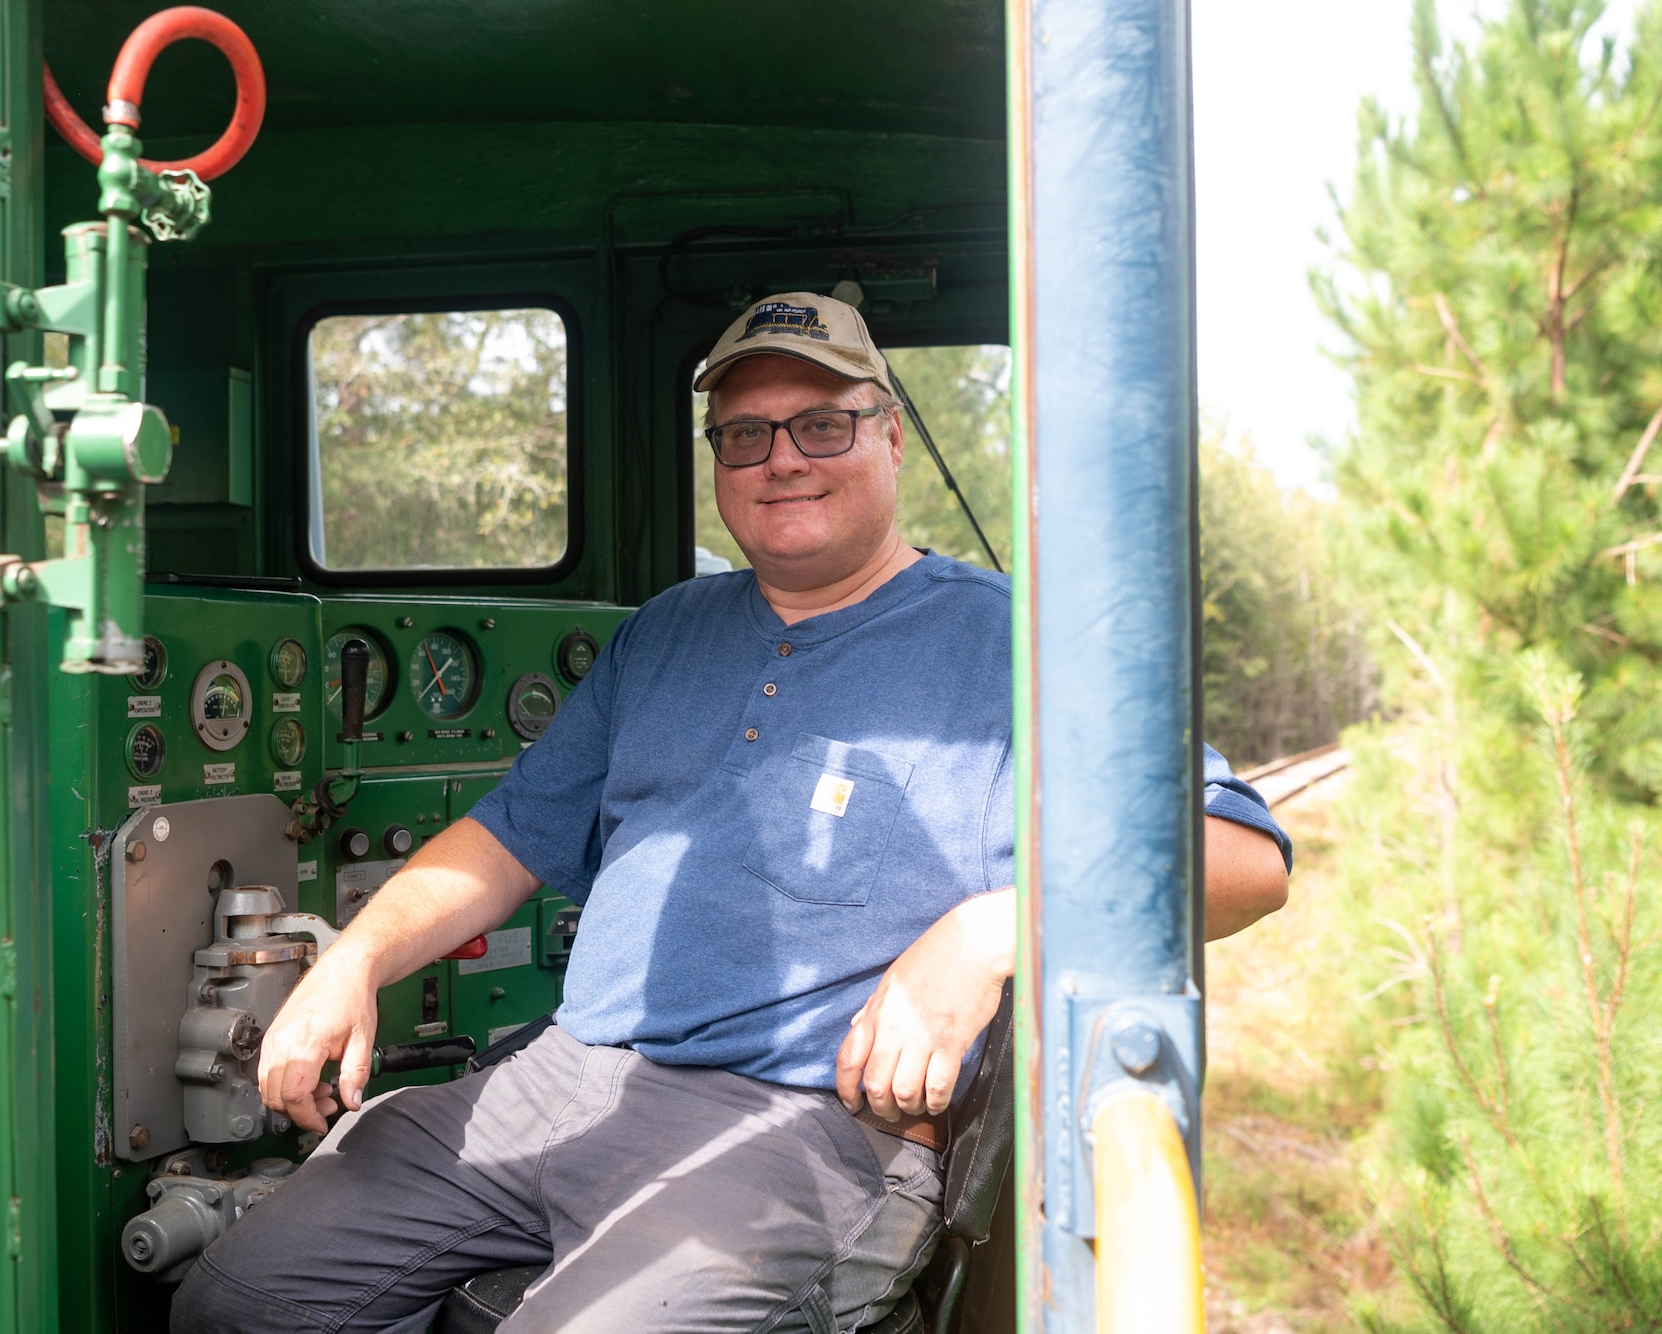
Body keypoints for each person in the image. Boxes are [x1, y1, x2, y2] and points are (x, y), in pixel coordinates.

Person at [173, 293, 1290, 1333]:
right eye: (745, 435)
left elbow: (1241, 861)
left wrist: (992, 927)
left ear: (890, 435)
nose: (782, 460)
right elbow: (510, 836)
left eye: (821, 424)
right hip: (562, 1076)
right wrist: (352, 960)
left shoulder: (1006, 641)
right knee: (234, 1298)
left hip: (804, 1127)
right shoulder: (664, 630)